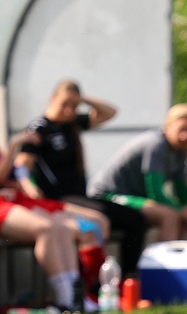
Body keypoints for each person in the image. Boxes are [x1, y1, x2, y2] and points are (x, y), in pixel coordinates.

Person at [0, 99, 109, 311]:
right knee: (58, 227)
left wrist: (12, 183)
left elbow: (3, 178)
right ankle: (70, 296)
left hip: (10, 199)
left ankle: (80, 294)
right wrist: (7, 154)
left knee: (87, 224)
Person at [14, 80, 148, 277]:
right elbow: (21, 165)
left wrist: (82, 98)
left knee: (135, 219)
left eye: (74, 106)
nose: (69, 110)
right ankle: (94, 283)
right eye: (64, 104)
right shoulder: (40, 128)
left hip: (81, 197)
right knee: (99, 220)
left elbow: (109, 112)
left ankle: (129, 277)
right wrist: (27, 185)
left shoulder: (72, 123)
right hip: (60, 199)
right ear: (52, 99)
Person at [87, 103, 187, 241]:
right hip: (107, 195)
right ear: (168, 126)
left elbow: (183, 198)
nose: (185, 136)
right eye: (182, 129)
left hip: (134, 198)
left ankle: (183, 261)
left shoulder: (179, 151)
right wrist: (181, 211)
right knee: (170, 216)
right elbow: (155, 193)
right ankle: (162, 262)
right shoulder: (156, 145)